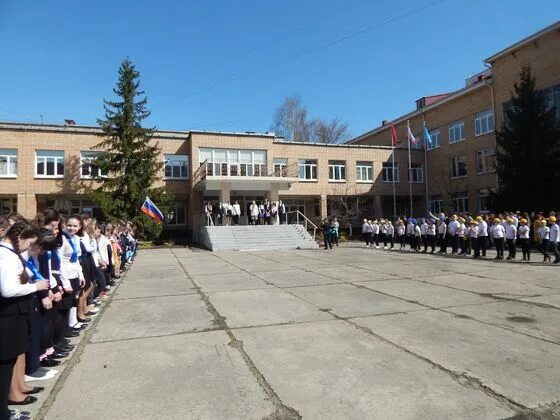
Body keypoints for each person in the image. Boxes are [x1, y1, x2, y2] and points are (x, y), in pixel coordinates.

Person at [0, 222, 49, 417]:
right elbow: (8, 289)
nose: (30, 248)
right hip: (7, 317)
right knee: (4, 368)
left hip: (12, 315)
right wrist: (35, 287)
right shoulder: (6, 256)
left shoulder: (10, 254)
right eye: (29, 243)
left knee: (7, 365)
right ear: (20, 238)